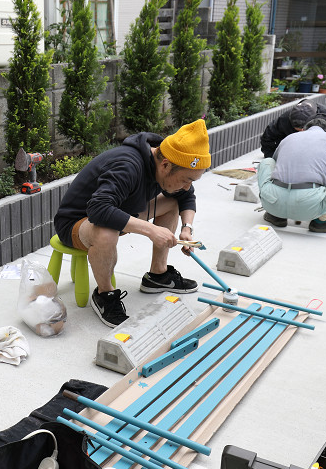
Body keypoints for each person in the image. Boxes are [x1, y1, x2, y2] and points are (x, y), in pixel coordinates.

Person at [52, 120, 210, 327]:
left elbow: (186, 196)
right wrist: (151, 229)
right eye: (186, 179)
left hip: (119, 212)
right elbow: (98, 209)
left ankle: (158, 275)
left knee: (172, 202)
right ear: (165, 165)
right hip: (77, 221)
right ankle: (105, 294)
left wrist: (186, 229)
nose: (187, 186)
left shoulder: (166, 162)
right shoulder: (128, 165)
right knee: (106, 232)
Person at [256, 113, 326, 234]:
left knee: (267, 162)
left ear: (303, 129)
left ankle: (275, 216)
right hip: (308, 207)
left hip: (272, 203)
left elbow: (275, 168)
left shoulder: (288, 138)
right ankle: (322, 221)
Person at [260, 99, 326, 158]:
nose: (302, 132)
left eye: (304, 130)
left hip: (323, 146)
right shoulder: (284, 119)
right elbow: (266, 139)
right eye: (298, 130)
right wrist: (273, 158)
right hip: (295, 149)